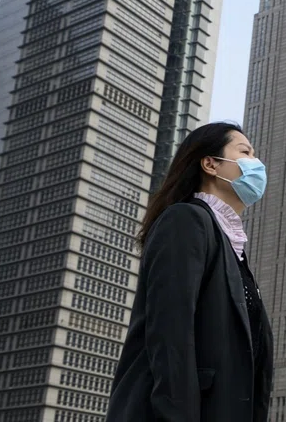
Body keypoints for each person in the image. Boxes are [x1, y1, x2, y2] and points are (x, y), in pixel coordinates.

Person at [107, 122, 274, 421]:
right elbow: (170, 331)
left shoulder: (231, 245)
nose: (256, 163)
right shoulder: (186, 220)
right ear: (210, 164)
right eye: (245, 152)